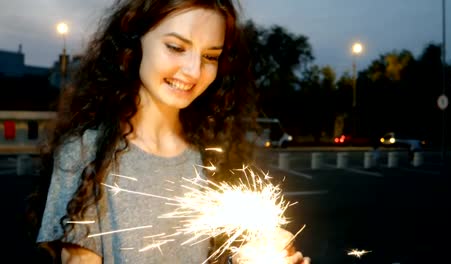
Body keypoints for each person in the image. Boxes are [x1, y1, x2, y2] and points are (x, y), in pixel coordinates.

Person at [30, 0, 310, 263]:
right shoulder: (84, 155)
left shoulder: (215, 156)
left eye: (210, 56)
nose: (193, 70)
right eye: (176, 47)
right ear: (135, 40)